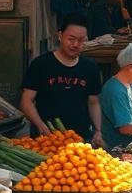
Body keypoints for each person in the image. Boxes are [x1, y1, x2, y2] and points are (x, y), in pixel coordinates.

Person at [19, 13, 103, 145]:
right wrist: (40, 125)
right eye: (71, 39)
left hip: (80, 140)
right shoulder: (41, 64)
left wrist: (98, 130)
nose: (75, 44)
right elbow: (26, 101)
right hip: (47, 139)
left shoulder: (90, 67)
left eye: (81, 40)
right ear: (60, 36)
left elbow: (93, 102)